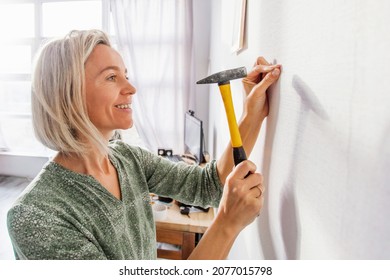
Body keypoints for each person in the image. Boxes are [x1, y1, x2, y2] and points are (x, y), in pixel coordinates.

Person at [7, 30, 281, 260]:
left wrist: (252, 113)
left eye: (125, 74)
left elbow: (207, 186)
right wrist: (227, 223)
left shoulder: (128, 158)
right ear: (67, 93)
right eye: (112, 77)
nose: (131, 88)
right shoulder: (35, 216)